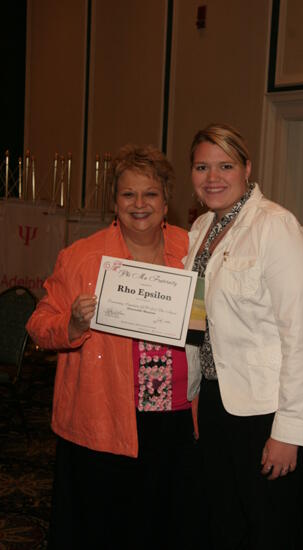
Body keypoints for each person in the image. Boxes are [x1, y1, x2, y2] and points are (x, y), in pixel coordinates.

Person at [27, 144, 201, 550]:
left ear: (165, 200)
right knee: (104, 528)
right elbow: (38, 325)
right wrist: (70, 324)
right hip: (103, 417)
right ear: (115, 201)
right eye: (128, 194)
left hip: (175, 420)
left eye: (150, 194)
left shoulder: (189, 249)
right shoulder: (82, 257)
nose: (139, 204)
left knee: (163, 526)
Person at [184, 123, 303, 550]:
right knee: (226, 522)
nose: (212, 177)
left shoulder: (275, 226)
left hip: (276, 403)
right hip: (221, 395)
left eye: (225, 165)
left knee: (271, 528)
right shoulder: (201, 232)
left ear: (247, 169)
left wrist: (289, 431)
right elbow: (197, 323)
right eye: (201, 166)